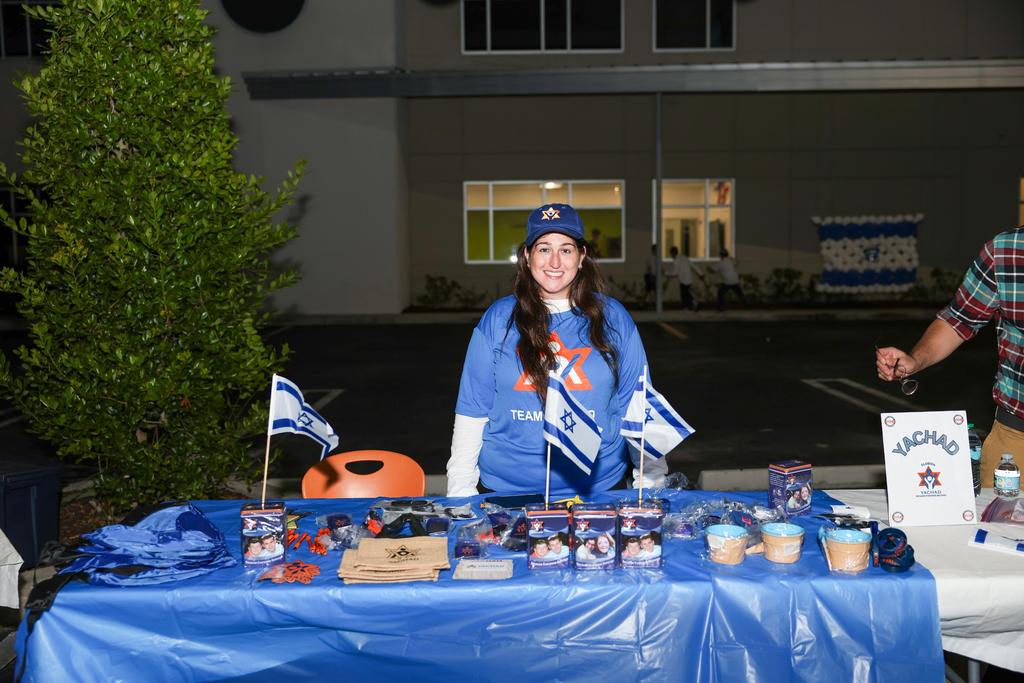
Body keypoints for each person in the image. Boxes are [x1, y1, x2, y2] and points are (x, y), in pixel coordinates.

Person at [446, 203, 668, 497]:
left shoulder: (614, 318)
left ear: (582, 256)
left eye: (565, 249)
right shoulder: (498, 319)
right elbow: (472, 409)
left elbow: (639, 405)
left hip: (599, 490)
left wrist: (651, 485)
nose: (554, 262)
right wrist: (460, 490)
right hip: (508, 494)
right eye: (544, 249)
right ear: (527, 256)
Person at [876, 227, 1024, 487]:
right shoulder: (1006, 250)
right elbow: (959, 319)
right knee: (1001, 515)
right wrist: (915, 360)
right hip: (1016, 435)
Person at [667, 246, 698, 311]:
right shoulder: (684, 257)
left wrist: (666, 273)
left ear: (673, 253)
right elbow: (693, 266)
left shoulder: (676, 260)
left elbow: (675, 272)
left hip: (683, 280)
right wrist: (701, 273)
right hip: (689, 278)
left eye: (671, 254)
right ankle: (691, 305)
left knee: (684, 294)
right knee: (687, 293)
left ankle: (687, 306)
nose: (671, 256)